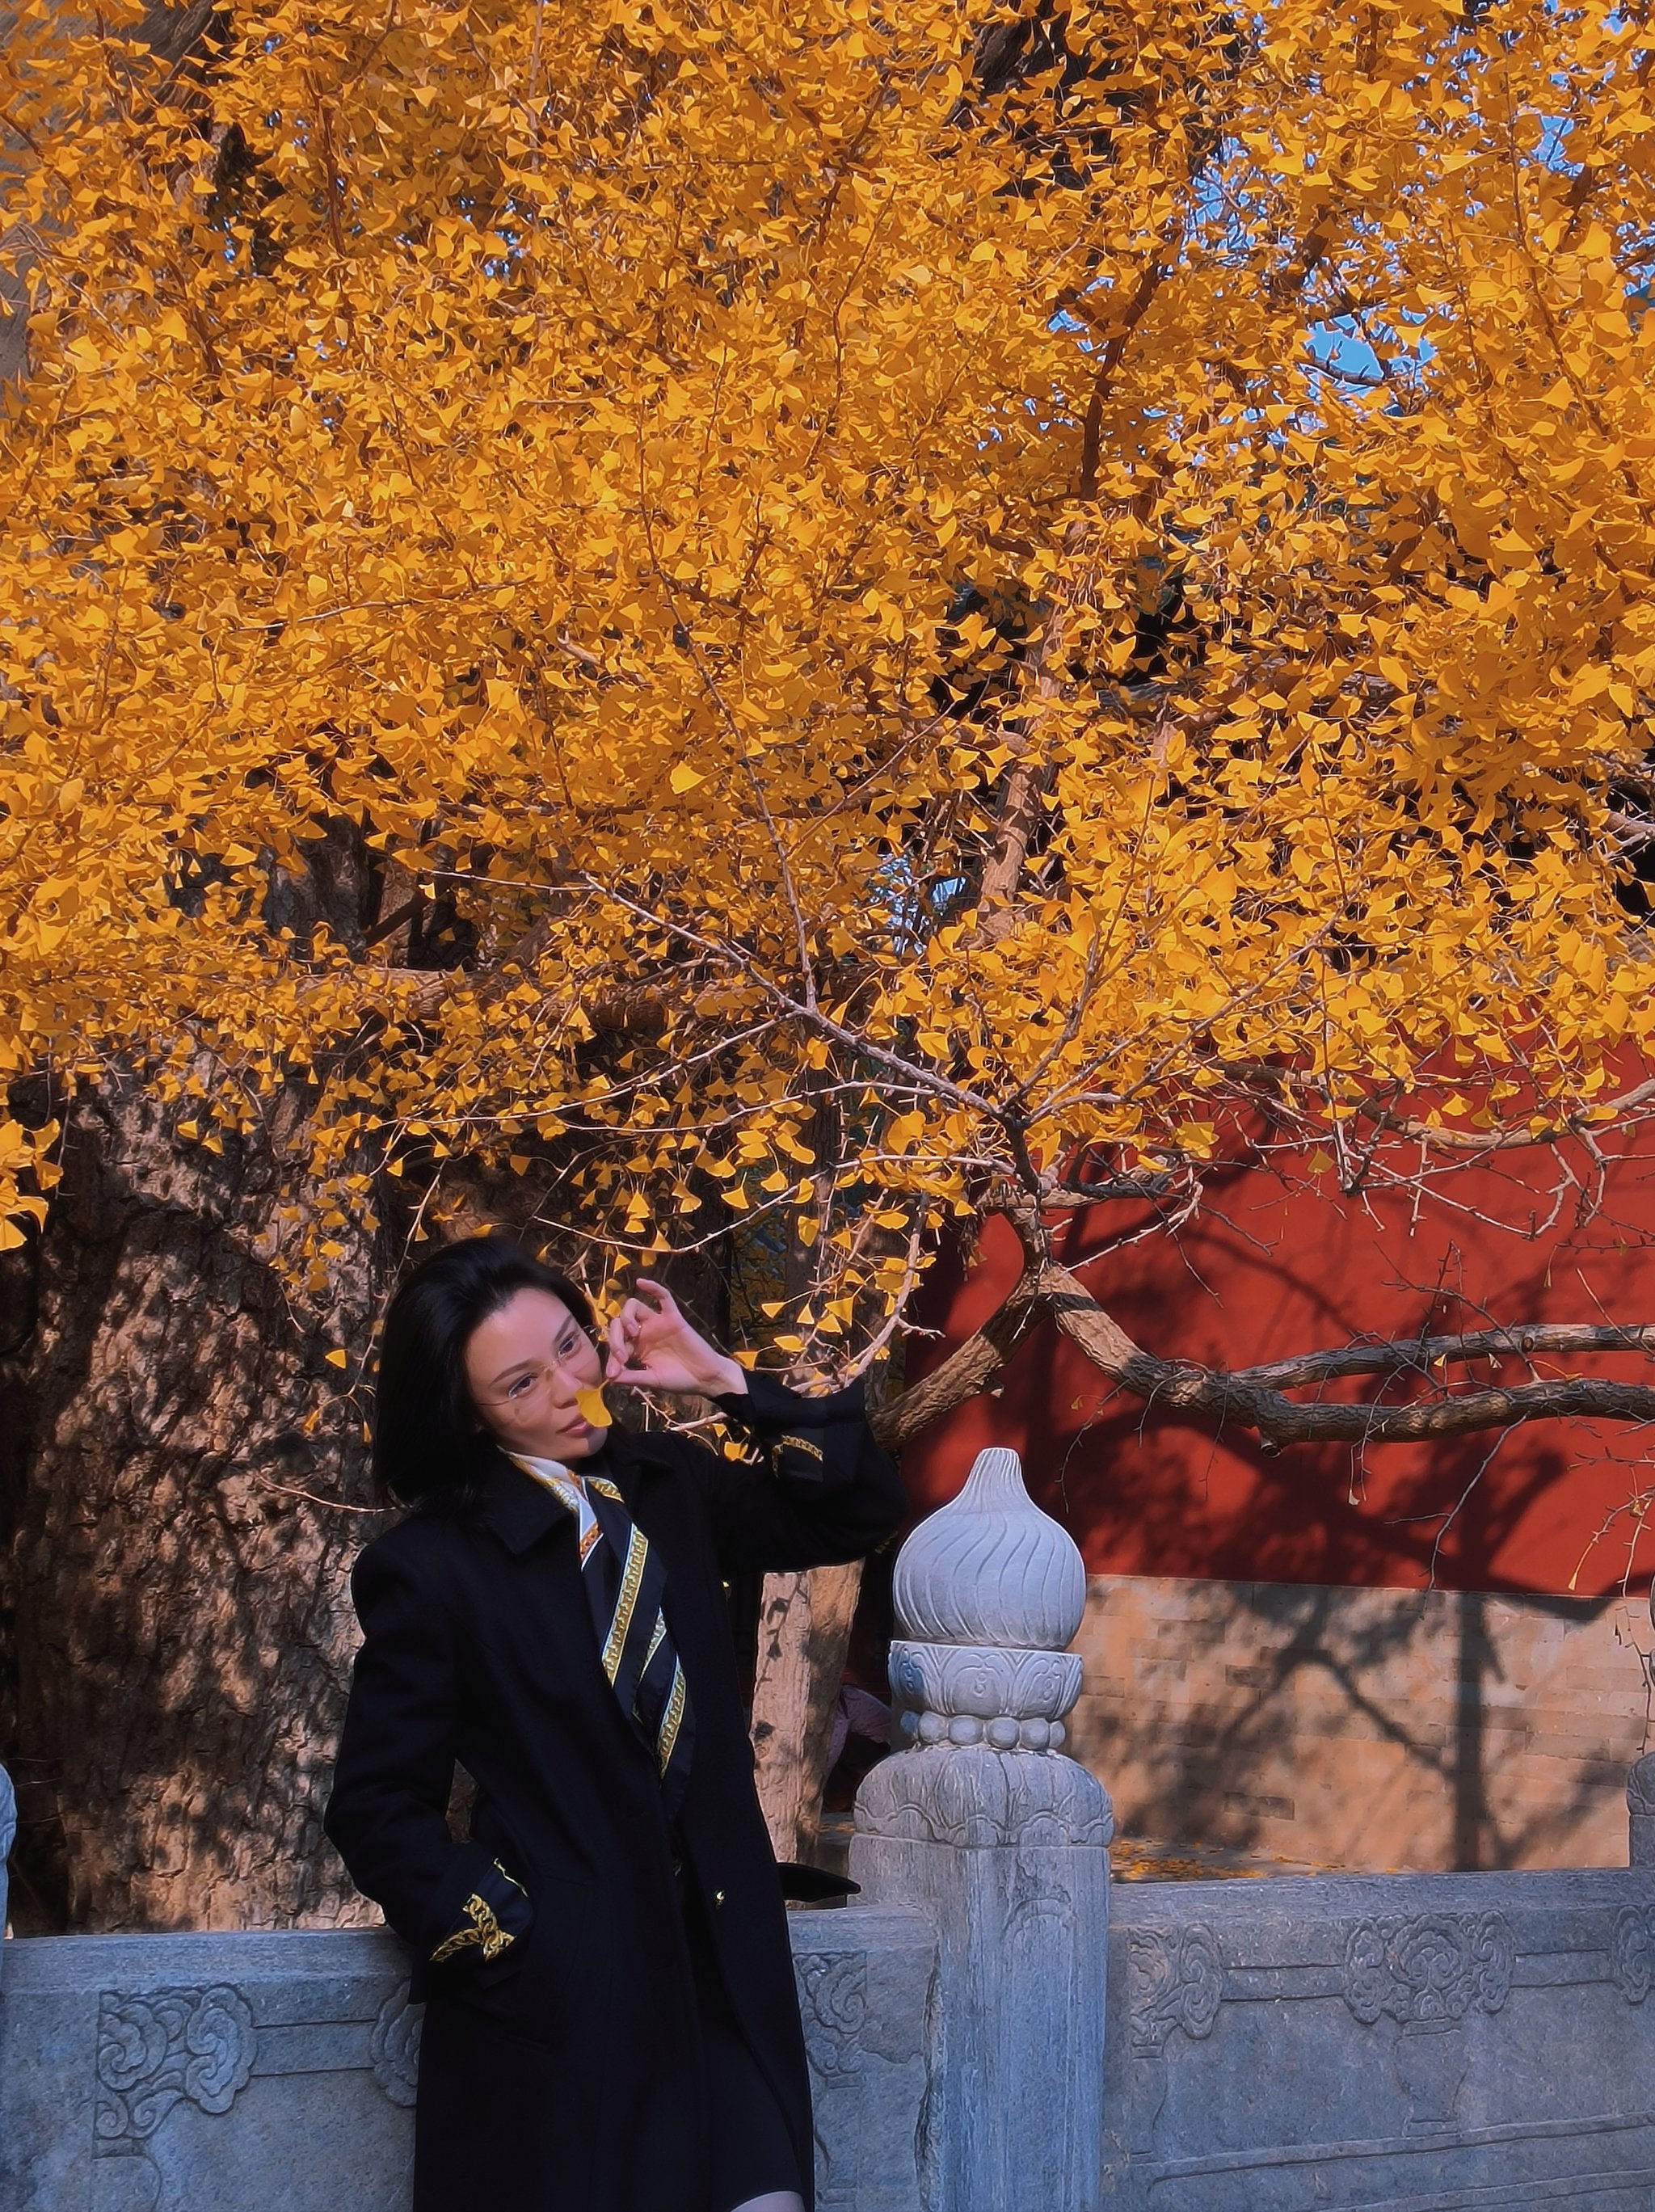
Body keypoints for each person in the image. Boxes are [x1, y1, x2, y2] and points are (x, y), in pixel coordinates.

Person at [324, 1234, 906, 2212]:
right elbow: (378, 1805)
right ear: (470, 1418)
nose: (566, 1385)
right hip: (565, 2017)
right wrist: (517, 1937)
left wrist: (725, 1381)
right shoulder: (431, 1568)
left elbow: (856, 1511)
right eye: (520, 1382)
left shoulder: (665, 1486)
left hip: (722, 1974)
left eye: (570, 1344)